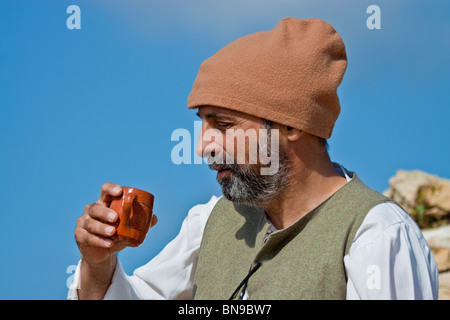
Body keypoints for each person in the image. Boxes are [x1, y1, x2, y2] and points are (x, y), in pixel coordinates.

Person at [68, 17, 438, 300]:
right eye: (203, 124)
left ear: (291, 124)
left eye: (223, 125)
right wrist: (98, 266)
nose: (203, 147)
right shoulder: (210, 225)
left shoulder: (377, 235)